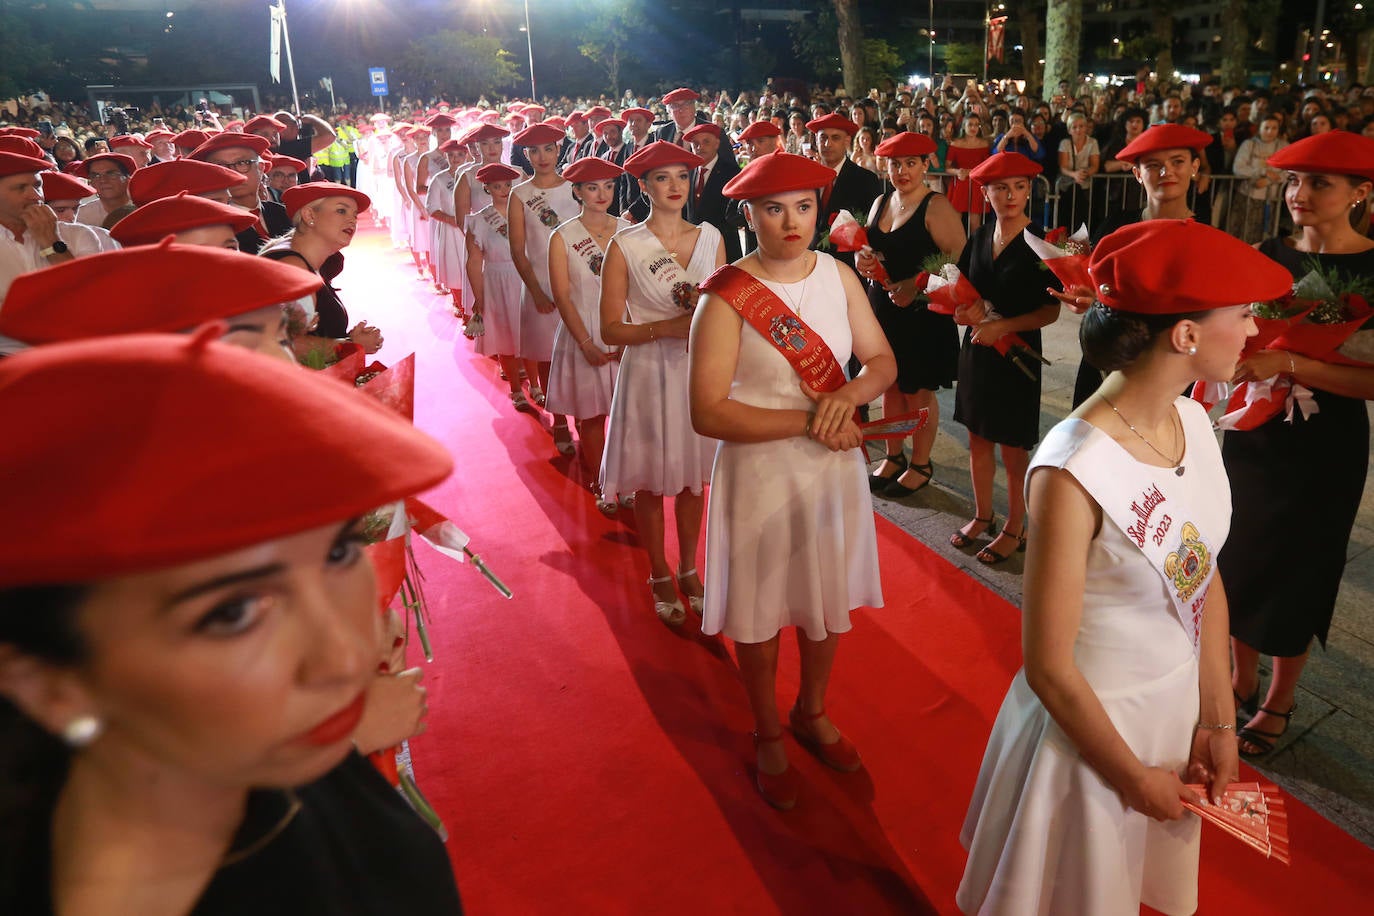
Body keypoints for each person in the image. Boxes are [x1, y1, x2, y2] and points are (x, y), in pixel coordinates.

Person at [0, 332, 463, 914]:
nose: (347, 652)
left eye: (339, 552)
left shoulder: (280, 773)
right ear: (45, 681)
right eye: (232, 612)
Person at [956, 219, 1290, 915]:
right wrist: (1132, 778)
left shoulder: (1194, 421)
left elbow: (1203, 578)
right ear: (1187, 335)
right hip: (1093, 731)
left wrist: (1217, 721)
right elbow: (1048, 664)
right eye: (1243, 316)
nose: (1254, 333)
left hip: (1172, 712)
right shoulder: (1072, 467)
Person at [689, 152, 895, 810]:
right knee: (759, 606)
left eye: (804, 207)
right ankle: (766, 726)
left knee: (822, 595)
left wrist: (854, 393)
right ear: (747, 214)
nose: (790, 222)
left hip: (829, 468)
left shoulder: (838, 276)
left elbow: (882, 360)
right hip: (759, 469)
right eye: (773, 209)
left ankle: (811, 710)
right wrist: (812, 418)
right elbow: (708, 411)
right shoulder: (726, 296)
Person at [1224, 132, 1374, 757]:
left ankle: (1280, 698)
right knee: (1240, 552)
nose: (1299, 195)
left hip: (1328, 444)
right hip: (1254, 431)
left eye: (1319, 183)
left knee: (1303, 564)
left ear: (1362, 193)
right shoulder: (1265, 255)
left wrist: (1294, 362)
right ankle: (1239, 675)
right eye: (1293, 182)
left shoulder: (1372, 271)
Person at [598, 141, 725, 625]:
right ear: (644, 185)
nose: (675, 186)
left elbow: (727, 308)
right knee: (651, 482)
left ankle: (690, 567)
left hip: (698, 371)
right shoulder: (626, 245)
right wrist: (666, 328)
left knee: (694, 481)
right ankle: (658, 571)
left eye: (681, 176)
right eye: (662, 178)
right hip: (649, 373)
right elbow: (610, 329)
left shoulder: (712, 238)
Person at [950, 152, 1061, 564]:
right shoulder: (979, 236)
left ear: (1029, 190)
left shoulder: (1042, 241)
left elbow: (1051, 310)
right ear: (985, 192)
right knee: (978, 436)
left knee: (1014, 447)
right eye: (1000, 187)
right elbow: (962, 287)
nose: (1010, 195)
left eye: (1018, 186)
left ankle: (1018, 525)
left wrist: (1004, 326)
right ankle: (983, 515)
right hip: (978, 350)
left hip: (1019, 354)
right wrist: (959, 310)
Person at [1069, 124, 1214, 407]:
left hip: (1170, 371)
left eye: (1177, 162)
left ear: (1194, 167)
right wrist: (1088, 300)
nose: (1166, 172)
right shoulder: (1115, 226)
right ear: (1137, 173)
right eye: (1153, 165)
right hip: (1106, 359)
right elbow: (1094, 287)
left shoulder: (1206, 240)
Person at [855, 132, 966, 498]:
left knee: (917, 390)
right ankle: (893, 455)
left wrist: (916, 285)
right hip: (883, 308)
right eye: (895, 164)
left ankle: (921, 462)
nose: (902, 171)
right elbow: (869, 247)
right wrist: (863, 260)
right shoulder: (880, 201)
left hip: (922, 314)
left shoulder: (937, 206)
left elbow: (957, 259)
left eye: (910, 163)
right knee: (887, 382)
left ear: (924, 165)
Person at [545, 157, 630, 515]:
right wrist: (585, 343)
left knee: (626, 414)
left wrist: (633, 336)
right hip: (583, 330)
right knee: (592, 415)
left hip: (624, 332)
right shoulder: (562, 236)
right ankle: (600, 480)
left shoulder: (628, 229)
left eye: (609, 186)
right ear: (577, 192)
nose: (602, 194)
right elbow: (562, 296)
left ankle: (625, 479)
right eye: (593, 187)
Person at [508, 123, 582, 452]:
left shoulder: (576, 187)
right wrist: (536, 290)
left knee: (581, 353)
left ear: (559, 150)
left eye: (548, 149)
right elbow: (518, 249)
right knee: (550, 357)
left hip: (579, 283)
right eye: (534, 151)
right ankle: (561, 420)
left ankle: (585, 417)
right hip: (540, 283)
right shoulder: (520, 194)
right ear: (526, 155)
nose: (542, 157)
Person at [259, 182, 383, 360]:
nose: (352, 220)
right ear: (309, 215)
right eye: (341, 211)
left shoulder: (298, 256)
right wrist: (351, 345)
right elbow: (281, 344)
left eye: (354, 215)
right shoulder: (293, 267)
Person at [465, 163, 531, 407]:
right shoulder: (479, 220)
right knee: (505, 335)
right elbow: (473, 262)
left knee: (529, 334)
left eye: (507, 185)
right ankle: (516, 388)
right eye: (496, 186)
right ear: (487, 188)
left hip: (525, 277)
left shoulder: (525, 213)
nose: (503, 190)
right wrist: (479, 297)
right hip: (496, 280)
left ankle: (535, 385)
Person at [683, 122, 743, 262]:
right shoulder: (688, 172)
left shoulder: (731, 172)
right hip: (693, 248)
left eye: (706, 142)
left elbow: (733, 214)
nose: (700, 147)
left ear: (717, 144)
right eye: (695, 143)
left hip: (724, 246)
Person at [1226, 114, 1288, 243]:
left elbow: (1288, 172)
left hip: (1271, 199)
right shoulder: (1249, 144)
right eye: (1266, 128)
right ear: (1259, 128)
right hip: (1246, 196)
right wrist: (1263, 171)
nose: (1270, 132)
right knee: (1239, 233)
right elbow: (1238, 168)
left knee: (1264, 236)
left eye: (1274, 128)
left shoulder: (1284, 146)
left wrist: (1269, 180)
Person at [946, 111, 993, 231]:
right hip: (960, 183)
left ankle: (974, 248)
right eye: (970, 124)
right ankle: (955, 248)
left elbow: (987, 166)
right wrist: (957, 172)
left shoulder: (984, 144)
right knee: (954, 220)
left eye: (977, 125)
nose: (973, 128)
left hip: (976, 185)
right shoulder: (956, 143)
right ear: (964, 126)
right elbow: (947, 167)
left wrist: (972, 171)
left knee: (974, 223)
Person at [1056, 112, 1100, 230]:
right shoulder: (1064, 143)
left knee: (1082, 217)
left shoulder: (1093, 142)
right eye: (1074, 127)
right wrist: (1074, 174)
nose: (1078, 130)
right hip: (1066, 185)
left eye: (1081, 126)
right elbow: (1063, 167)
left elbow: (1095, 165)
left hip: (1085, 185)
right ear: (1069, 130)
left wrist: (1083, 174)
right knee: (1065, 217)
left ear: (1086, 127)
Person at [73, 152, 136, 229]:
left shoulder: (143, 208)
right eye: (95, 176)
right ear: (91, 183)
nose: (103, 180)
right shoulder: (81, 215)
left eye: (111, 174)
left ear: (128, 179)